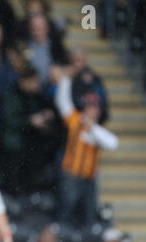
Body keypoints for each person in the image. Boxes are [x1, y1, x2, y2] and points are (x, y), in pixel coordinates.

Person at [54, 67, 118, 230]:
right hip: (71, 175)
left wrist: (93, 128)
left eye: (95, 107)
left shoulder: (98, 130)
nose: (93, 110)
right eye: (90, 106)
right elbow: (63, 102)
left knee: (89, 214)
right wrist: (65, 80)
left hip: (89, 179)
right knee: (66, 211)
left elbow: (113, 143)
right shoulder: (75, 120)